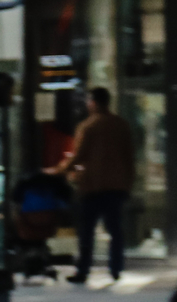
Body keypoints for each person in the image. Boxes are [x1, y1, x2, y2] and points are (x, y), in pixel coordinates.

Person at [57, 88, 136, 284]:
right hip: (117, 186)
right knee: (115, 229)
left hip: (92, 186)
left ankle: (83, 270)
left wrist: (61, 169)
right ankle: (116, 268)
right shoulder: (121, 125)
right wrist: (128, 183)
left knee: (87, 231)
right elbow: (129, 157)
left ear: (93, 102)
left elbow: (79, 155)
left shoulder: (88, 126)